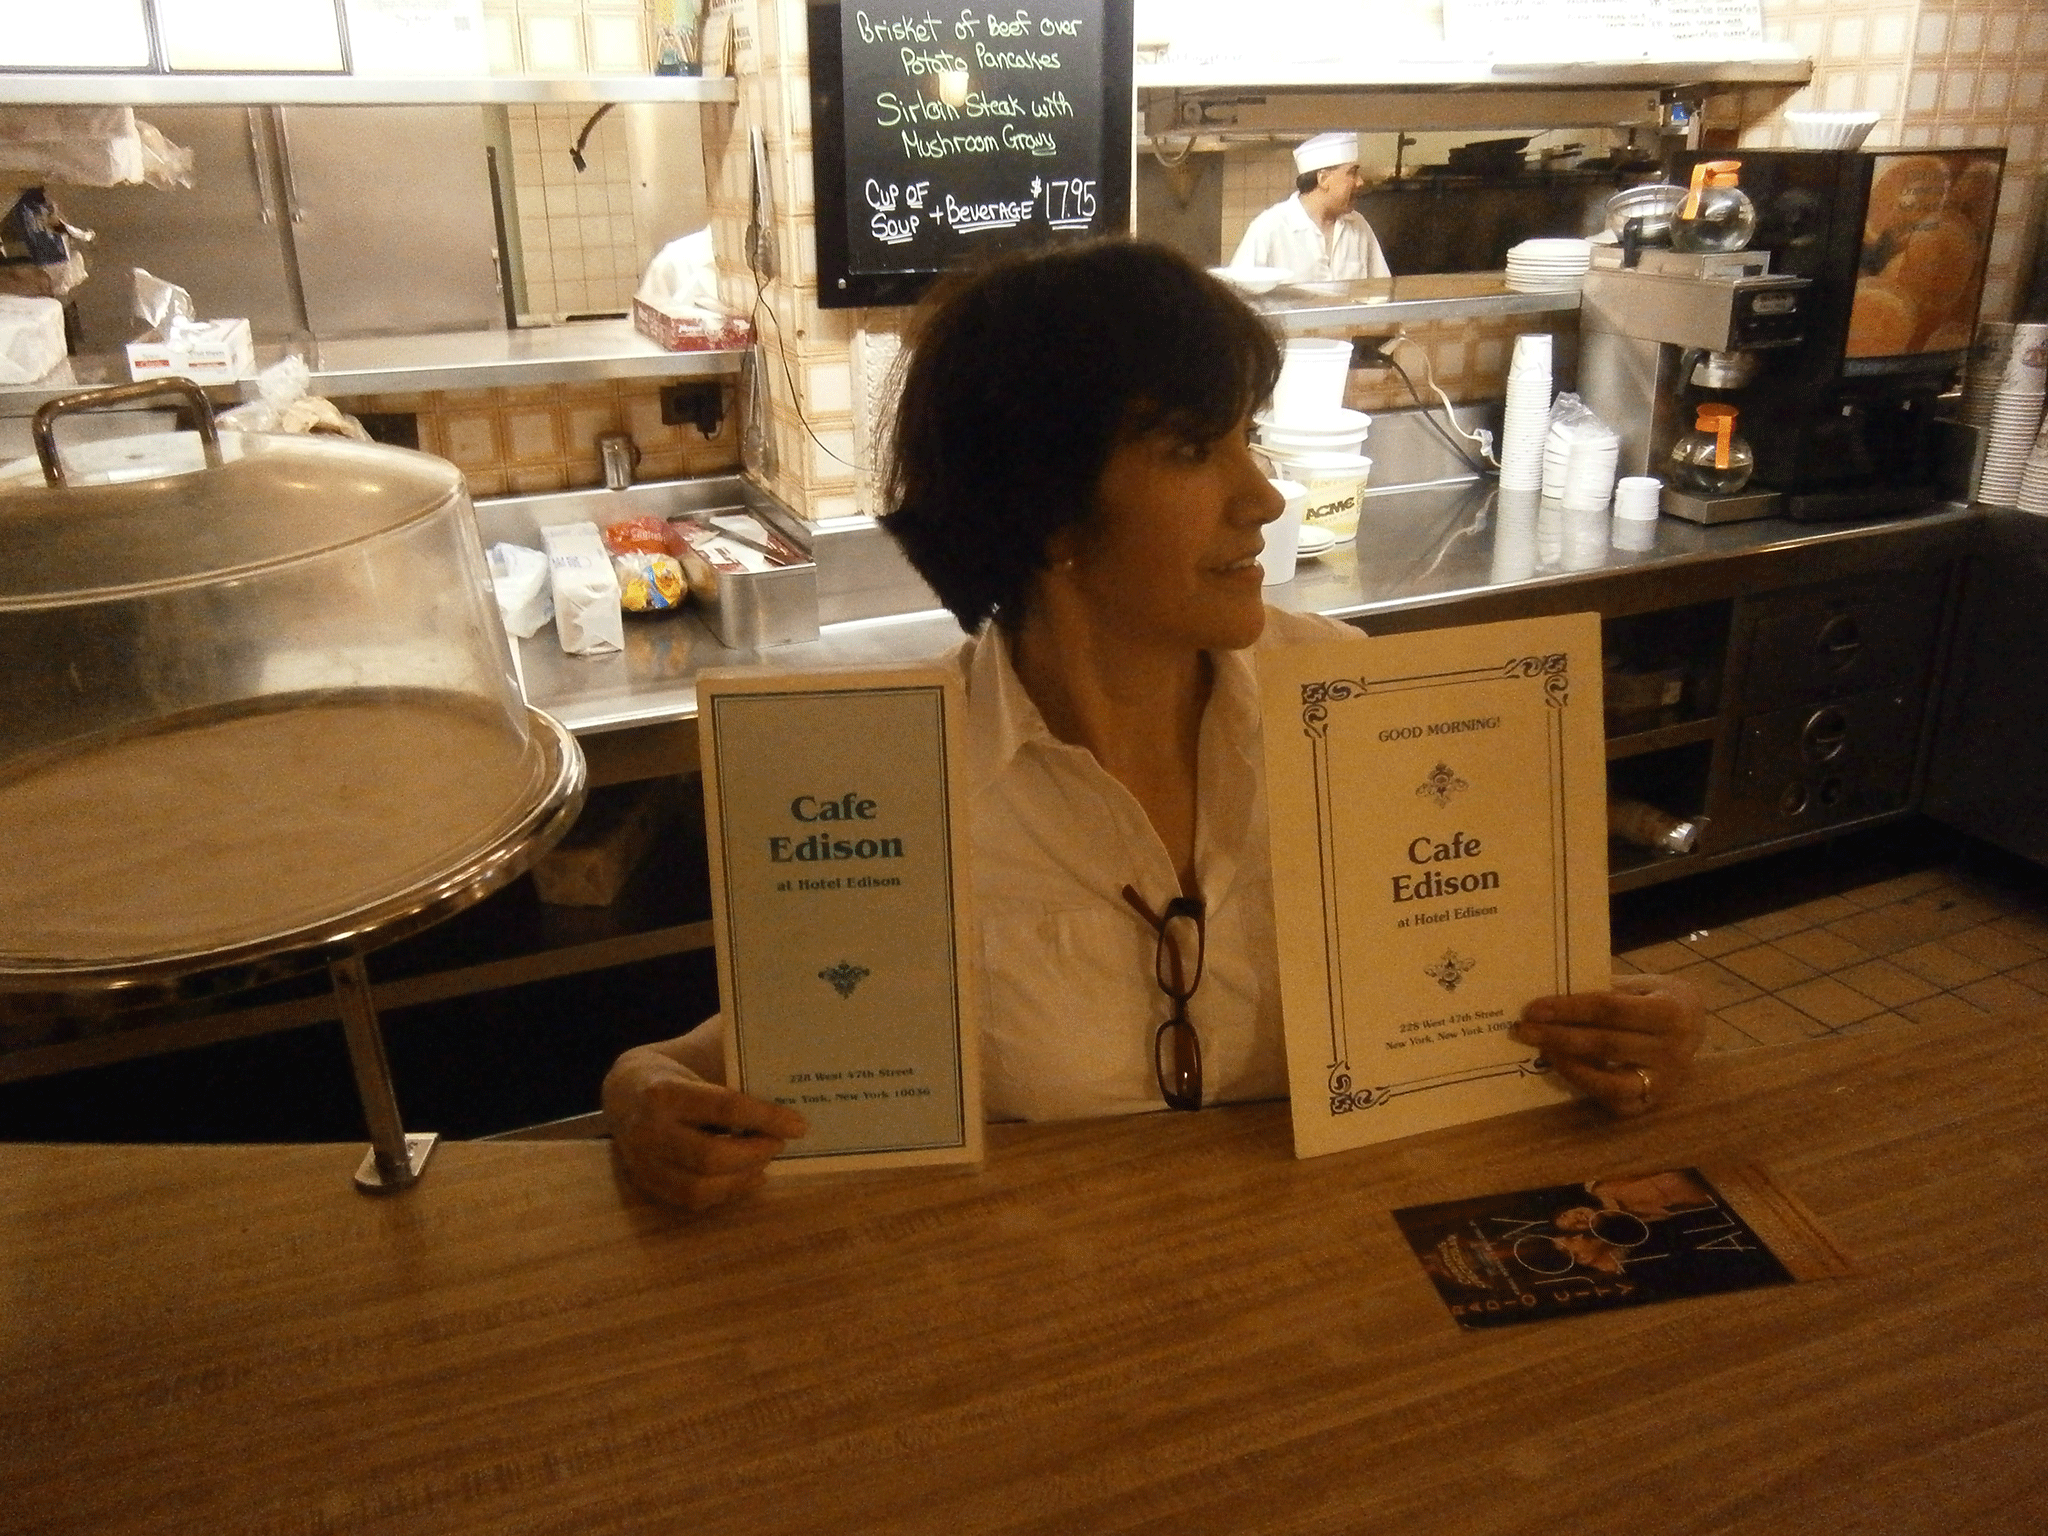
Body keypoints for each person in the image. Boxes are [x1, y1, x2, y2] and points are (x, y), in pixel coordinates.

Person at [602, 239, 1705, 1210]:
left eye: (1247, 437)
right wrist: (644, 1095)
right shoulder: (894, 777)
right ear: (1043, 508)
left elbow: (1508, 991)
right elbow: (719, 1060)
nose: (1261, 496)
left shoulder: (1354, 708)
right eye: (1190, 450)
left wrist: (1622, 1032)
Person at [1229, 131, 1391, 282]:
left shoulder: (1358, 225)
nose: (1360, 182)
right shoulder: (1269, 228)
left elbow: (1381, 289)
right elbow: (1236, 296)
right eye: (1352, 173)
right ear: (1323, 179)